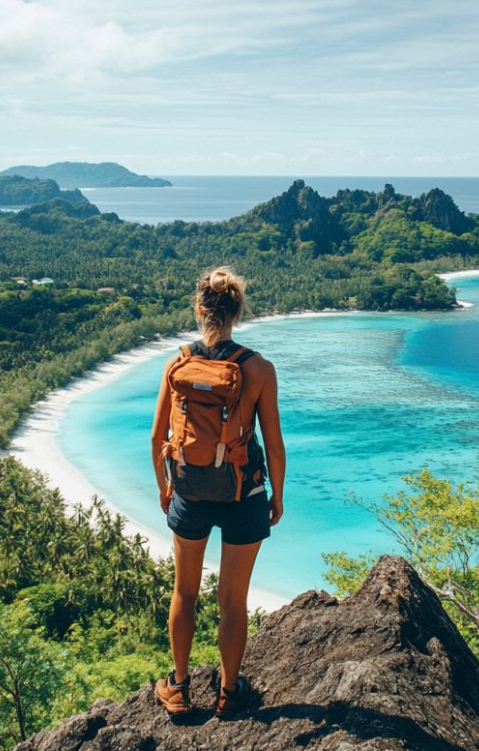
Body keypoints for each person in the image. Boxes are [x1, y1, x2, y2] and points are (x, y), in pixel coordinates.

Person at [150, 266, 285, 718]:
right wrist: (277, 496)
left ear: (199, 309)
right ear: (238, 312)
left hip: (189, 490)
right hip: (243, 493)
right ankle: (229, 694)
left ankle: (179, 688)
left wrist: (166, 488)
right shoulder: (259, 368)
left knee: (184, 593)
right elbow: (274, 441)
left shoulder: (177, 363)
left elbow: (155, 439)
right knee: (233, 600)